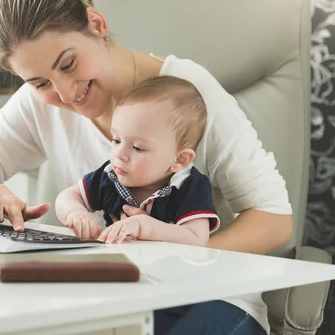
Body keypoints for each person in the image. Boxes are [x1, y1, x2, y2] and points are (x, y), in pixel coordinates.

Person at [0, 0, 292, 334]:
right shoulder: (38, 105)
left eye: (68, 64)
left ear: (97, 25)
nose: (65, 93)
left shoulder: (188, 93)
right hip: (104, 298)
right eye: (40, 83)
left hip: (209, 297)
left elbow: (274, 219)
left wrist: (181, 261)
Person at [55, 75, 220, 245]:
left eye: (137, 148)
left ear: (180, 159)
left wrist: (144, 226)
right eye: (116, 140)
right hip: (119, 265)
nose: (119, 154)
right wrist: (75, 213)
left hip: (169, 269)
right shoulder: (111, 175)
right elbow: (67, 195)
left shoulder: (189, 186)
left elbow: (197, 239)